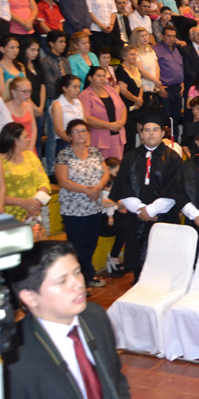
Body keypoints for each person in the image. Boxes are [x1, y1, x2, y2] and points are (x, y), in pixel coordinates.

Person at [0, 241, 134, 399]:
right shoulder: (8, 368)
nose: (78, 284)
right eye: (62, 281)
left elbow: (115, 380)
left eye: (77, 272)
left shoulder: (95, 317)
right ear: (30, 296)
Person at [108, 112, 184, 281]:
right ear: (141, 134)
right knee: (139, 263)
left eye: (155, 130)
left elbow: (175, 188)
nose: (151, 134)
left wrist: (152, 210)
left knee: (164, 265)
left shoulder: (172, 158)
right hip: (137, 218)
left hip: (164, 218)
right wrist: (140, 209)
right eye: (147, 130)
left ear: (162, 133)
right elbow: (123, 185)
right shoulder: (130, 157)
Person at [55, 119, 110, 288]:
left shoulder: (94, 152)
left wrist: (98, 188)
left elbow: (106, 173)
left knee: (91, 242)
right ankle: (86, 276)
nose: (81, 134)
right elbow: (63, 181)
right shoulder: (64, 154)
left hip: (94, 207)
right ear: (69, 136)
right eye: (76, 131)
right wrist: (87, 190)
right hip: (73, 209)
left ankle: (85, 275)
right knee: (77, 245)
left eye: (84, 131)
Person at [78, 66, 127, 160]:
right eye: (99, 76)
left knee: (117, 165)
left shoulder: (112, 90)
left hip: (117, 136)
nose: (102, 78)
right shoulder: (84, 95)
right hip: (99, 139)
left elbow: (123, 107)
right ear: (90, 78)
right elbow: (87, 118)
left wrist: (121, 122)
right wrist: (109, 126)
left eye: (104, 76)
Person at [51, 74, 85, 153]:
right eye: (75, 87)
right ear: (65, 88)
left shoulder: (78, 102)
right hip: (65, 142)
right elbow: (59, 130)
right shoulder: (58, 104)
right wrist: (75, 143)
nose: (78, 90)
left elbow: (85, 124)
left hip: (81, 140)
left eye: (79, 87)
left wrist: (86, 143)